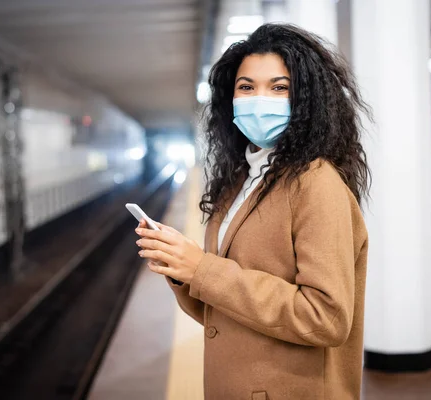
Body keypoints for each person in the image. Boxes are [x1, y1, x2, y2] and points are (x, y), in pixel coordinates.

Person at [135, 23, 370, 400]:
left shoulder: (316, 183)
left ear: (306, 100)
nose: (259, 99)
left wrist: (202, 268)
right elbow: (226, 311)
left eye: (279, 87)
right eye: (246, 87)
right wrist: (182, 270)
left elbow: (326, 318)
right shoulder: (241, 182)